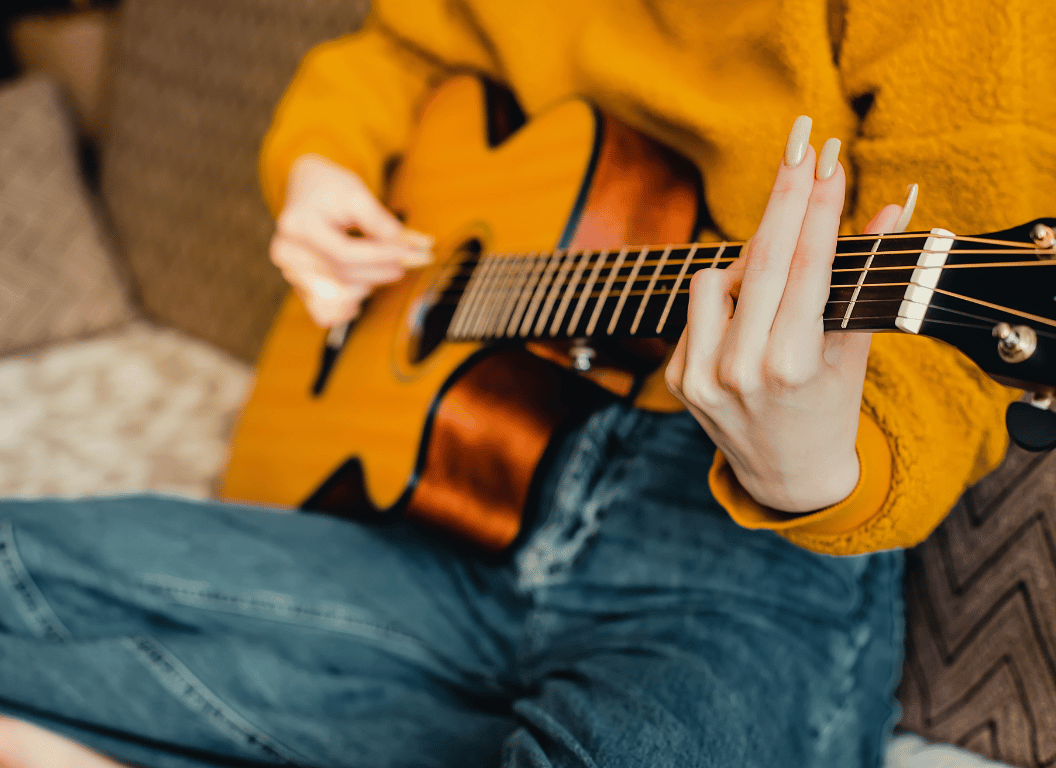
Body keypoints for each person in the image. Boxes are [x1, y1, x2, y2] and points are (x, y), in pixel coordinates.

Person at [0, 0, 1042, 766]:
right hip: (446, 512)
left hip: (738, 553)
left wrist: (812, 462)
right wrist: (324, 163)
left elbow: (950, 364)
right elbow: (398, 49)